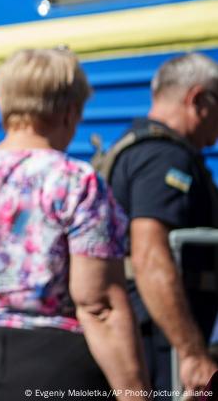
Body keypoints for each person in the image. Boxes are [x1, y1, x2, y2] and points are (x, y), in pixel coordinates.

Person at [0, 47, 148, 400]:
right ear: (69, 110)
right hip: (55, 367)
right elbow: (98, 305)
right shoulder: (76, 181)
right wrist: (134, 391)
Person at [102, 52, 218, 394]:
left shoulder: (136, 144)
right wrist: (192, 352)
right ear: (197, 100)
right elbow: (150, 257)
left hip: (150, 328)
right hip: (159, 337)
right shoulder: (164, 157)